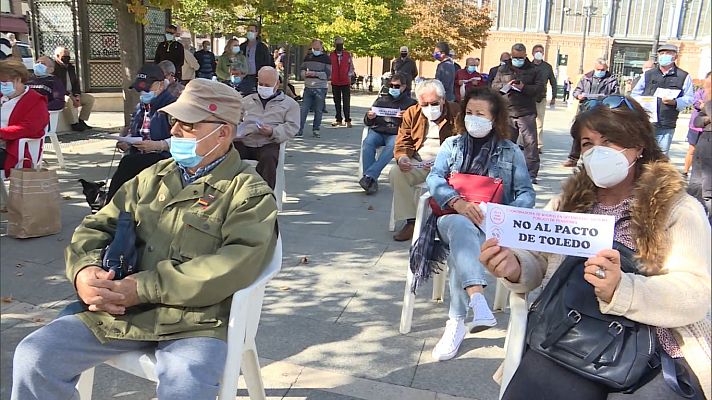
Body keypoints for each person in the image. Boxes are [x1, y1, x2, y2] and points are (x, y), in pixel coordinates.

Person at [11, 78, 279, 400]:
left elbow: (237, 263)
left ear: (223, 132)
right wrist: (84, 272)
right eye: (175, 120)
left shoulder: (248, 194)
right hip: (120, 310)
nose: (176, 130)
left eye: (189, 124)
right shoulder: (153, 176)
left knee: (185, 387)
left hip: (195, 322)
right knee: (35, 356)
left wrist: (141, 288)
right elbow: (96, 226)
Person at [481, 95, 711, 400]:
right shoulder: (569, 203)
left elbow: (694, 294)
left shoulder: (678, 209)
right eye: (588, 143)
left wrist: (622, 289)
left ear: (639, 146)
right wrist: (514, 267)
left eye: (611, 140)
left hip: (654, 345)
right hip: (569, 333)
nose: (598, 152)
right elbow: (537, 260)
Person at [419, 86, 534, 361]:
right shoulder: (452, 145)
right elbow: (434, 178)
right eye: (469, 112)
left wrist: (499, 214)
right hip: (450, 218)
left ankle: (457, 320)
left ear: (495, 118)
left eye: (480, 113)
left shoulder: (511, 152)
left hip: (492, 226)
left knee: (465, 245)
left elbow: (526, 193)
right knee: (461, 227)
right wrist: (456, 201)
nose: (473, 118)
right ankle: (476, 302)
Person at [389, 79, 459, 241]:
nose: (429, 108)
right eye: (424, 104)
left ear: (443, 99)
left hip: (447, 165)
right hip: (419, 162)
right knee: (396, 173)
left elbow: (462, 143)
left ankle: (444, 221)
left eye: (433, 103)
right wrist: (403, 158)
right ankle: (412, 221)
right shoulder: (412, 113)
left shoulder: (456, 112)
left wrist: (444, 163)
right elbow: (403, 141)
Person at [105, 64, 178, 201]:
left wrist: (159, 145)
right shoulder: (141, 107)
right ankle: (113, 206)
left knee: (129, 163)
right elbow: (136, 132)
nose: (143, 93)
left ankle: (111, 205)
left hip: (164, 158)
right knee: (129, 164)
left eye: (147, 88)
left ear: (160, 85)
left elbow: (185, 139)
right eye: (140, 90)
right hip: (140, 154)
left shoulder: (172, 107)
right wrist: (127, 141)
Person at [234, 66, 299, 189]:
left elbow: (292, 126)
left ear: (277, 84)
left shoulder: (289, 104)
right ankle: (232, 193)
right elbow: (235, 120)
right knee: (229, 156)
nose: (263, 88)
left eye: (267, 85)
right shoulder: (246, 101)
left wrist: (272, 132)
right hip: (246, 141)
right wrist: (237, 132)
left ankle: (265, 196)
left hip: (269, 142)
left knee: (268, 158)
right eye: (261, 84)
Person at [491, 43, 544, 182]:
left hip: (526, 111)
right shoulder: (503, 69)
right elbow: (494, 86)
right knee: (507, 144)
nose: (517, 60)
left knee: (530, 144)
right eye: (515, 57)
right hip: (507, 111)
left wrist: (523, 87)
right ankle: (504, 172)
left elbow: (539, 88)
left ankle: (531, 174)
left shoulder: (533, 69)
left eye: (520, 58)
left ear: (525, 56)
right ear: (511, 54)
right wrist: (506, 86)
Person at [360, 73, 417, 194]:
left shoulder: (411, 103)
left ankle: (369, 177)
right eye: (391, 85)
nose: (393, 88)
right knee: (367, 143)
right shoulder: (381, 100)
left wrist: (407, 116)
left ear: (404, 87)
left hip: (396, 132)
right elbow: (367, 122)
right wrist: (369, 117)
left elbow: (417, 124)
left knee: (394, 145)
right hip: (378, 131)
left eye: (397, 86)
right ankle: (371, 180)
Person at [631, 44, 694, 155]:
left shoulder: (683, 76)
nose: (664, 56)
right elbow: (635, 93)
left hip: (666, 123)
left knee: (661, 156)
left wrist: (675, 102)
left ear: (675, 57)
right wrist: (642, 102)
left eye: (668, 53)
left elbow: (689, 98)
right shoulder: (649, 74)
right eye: (662, 53)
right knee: (640, 154)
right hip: (646, 122)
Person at [562, 58, 620, 167]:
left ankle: (595, 159)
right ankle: (573, 158)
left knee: (599, 136)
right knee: (579, 134)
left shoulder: (611, 80)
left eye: (602, 69)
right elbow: (576, 91)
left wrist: (603, 98)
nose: (600, 71)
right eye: (598, 69)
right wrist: (578, 95)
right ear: (595, 68)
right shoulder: (586, 78)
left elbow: (615, 95)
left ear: (606, 69)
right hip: (585, 109)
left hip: (602, 111)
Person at [0, 59, 49, 175]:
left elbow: (28, 128)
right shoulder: (2, 96)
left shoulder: (36, 100)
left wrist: (2, 133)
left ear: (18, 79)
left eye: (3, 81)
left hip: (13, 150)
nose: (1, 85)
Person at [54, 46, 95, 131]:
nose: (67, 58)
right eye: (64, 56)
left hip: (72, 92)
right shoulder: (54, 68)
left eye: (68, 56)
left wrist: (77, 95)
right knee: (68, 100)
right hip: (61, 94)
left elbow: (76, 82)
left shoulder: (70, 67)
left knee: (89, 99)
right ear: (58, 56)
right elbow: (57, 86)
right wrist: (71, 96)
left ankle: (81, 120)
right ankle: (74, 124)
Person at [689, 72, 712, 219]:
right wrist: (707, 119)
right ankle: (695, 219)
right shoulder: (707, 101)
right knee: (695, 186)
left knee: (708, 191)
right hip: (703, 142)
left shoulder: (708, 102)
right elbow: (697, 122)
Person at [298, 39, 331, 138]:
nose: (315, 50)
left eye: (317, 48)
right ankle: (300, 129)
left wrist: (315, 73)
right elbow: (302, 69)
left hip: (320, 88)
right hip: (308, 87)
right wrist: (304, 74)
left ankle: (316, 129)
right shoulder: (308, 57)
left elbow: (328, 74)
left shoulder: (326, 58)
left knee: (318, 110)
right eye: (313, 48)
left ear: (321, 47)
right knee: (304, 109)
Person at [531, 44, 557, 154]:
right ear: (532, 53)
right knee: (525, 121)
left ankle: (538, 145)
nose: (539, 53)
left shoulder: (547, 67)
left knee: (539, 122)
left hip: (541, 97)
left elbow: (553, 82)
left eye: (541, 51)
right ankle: (523, 143)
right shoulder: (528, 66)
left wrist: (554, 97)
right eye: (537, 51)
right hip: (528, 97)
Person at [684, 74, 709, 177]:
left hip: (708, 128)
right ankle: (685, 171)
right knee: (692, 150)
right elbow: (697, 103)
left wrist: (705, 105)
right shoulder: (700, 92)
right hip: (696, 127)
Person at [329, 37, 355, 128]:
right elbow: (329, 67)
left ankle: (348, 120)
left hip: (345, 82)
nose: (340, 45)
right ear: (335, 44)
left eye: (341, 43)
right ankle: (338, 119)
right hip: (335, 81)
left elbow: (351, 67)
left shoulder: (347, 55)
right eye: (338, 43)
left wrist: (349, 75)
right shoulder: (331, 55)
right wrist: (330, 75)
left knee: (346, 101)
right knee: (337, 101)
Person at [240, 23, 275, 91]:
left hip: (256, 77)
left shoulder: (262, 47)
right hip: (244, 77)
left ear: (256, 33)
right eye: (248, 31)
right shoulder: (242, 46)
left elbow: (267, 62)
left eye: (252, 31)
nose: (250, 32)